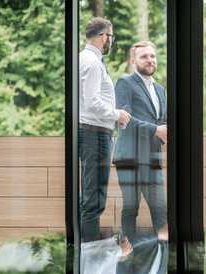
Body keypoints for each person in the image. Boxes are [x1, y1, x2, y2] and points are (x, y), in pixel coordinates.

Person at [79, 17, 131, 240]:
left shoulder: (86, 59)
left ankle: (88, 259)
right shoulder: (91, 62)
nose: (111, 41)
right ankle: (89, 258)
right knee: (94, 200)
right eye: (111, 37)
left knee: (91, 197)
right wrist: (116, 114)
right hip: (94, 135)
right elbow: (92, 102)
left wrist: (113, 117)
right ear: (104, 37)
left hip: (94, 133)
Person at [113, 41, 168, 237]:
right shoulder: (124, 83)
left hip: (152, 159)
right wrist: (156, 130)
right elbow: (124, 120)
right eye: (144, 56)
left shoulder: (160, 89)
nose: (149, 60)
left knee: (162, 211)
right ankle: (127, 260)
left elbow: (163, 121)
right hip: (129, 157)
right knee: (130, 208)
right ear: (133, 61)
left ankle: (162, 261)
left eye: (152, 56)